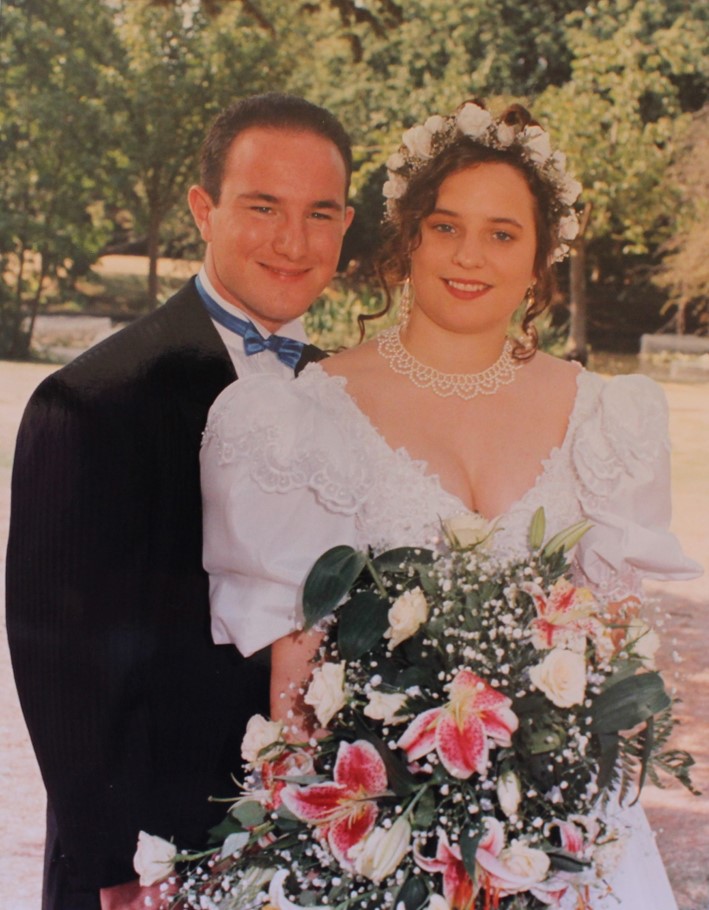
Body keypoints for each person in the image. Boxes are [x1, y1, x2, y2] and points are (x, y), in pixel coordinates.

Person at [200, 100, 701, 908]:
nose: (470, 256)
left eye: (502, 233)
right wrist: (304, 839)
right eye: (445, 227)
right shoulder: (300, 415)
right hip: (374, 841)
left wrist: (556, 807)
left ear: (540, 258)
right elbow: (294, 664)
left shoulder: (606, 416)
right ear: (407, 239)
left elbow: (614, 646)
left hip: (562, 841)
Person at [5, 92, 354, 910]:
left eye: (320, 213)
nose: (292, 242)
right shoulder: (91, 401)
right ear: (204, 209)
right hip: (154, 864)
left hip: (324, 853)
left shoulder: (353, 397)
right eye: (262, 207)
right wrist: (120, 871)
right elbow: (63, 673)